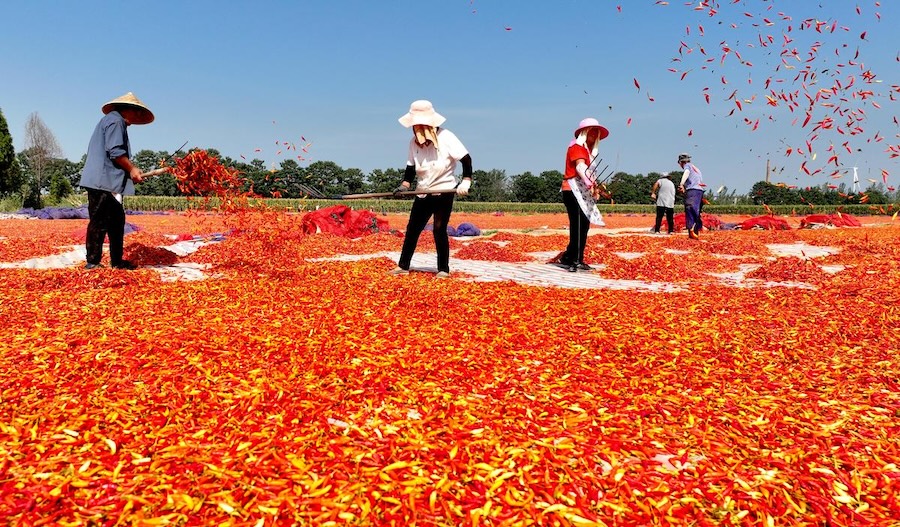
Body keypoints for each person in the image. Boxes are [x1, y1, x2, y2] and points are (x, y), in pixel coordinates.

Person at [390, 100, 473, 278]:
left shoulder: (447, 137)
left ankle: (443, 269)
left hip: (444, 190)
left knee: (439, 229)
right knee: (413, 229)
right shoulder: (413, 143)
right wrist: (404, 185)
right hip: (423, 190)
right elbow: (411, 167)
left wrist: (466, 181)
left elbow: (466, 159)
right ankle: (403, 265)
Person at [79, 92, 155, 269]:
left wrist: (130, 172)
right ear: (128, 109)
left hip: (108, 182)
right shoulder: (116, 121)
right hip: (102, 182)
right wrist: (132, 169)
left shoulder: (113, 121)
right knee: (99, 222)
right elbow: (116, 152)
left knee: (116, 222)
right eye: (136, 113)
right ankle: (92, 262)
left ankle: (117, 261)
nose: (136, 118)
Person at [560, 117, 609, 272]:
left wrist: (595, 188)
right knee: (578, 225)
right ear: (584, 133)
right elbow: (581, 168)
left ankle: (572, 256)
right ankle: (574, 260)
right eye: (591, 132)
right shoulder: (576, 147)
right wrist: (590, 183)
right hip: (572, 189)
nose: (594, 137)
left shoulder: (586, 151)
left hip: (582, 191)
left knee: (584, 225)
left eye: (596, 134)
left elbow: (589, 172)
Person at [676, 152, 704, 239]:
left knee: (690, 209)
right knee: (696, 211)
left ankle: (691, 231)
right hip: (699, 191)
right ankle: (694, 232)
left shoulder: (687, 166)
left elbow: (686, 172)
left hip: (693, 190)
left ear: (681, 162)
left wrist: (681, 184)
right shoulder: (696, 168)